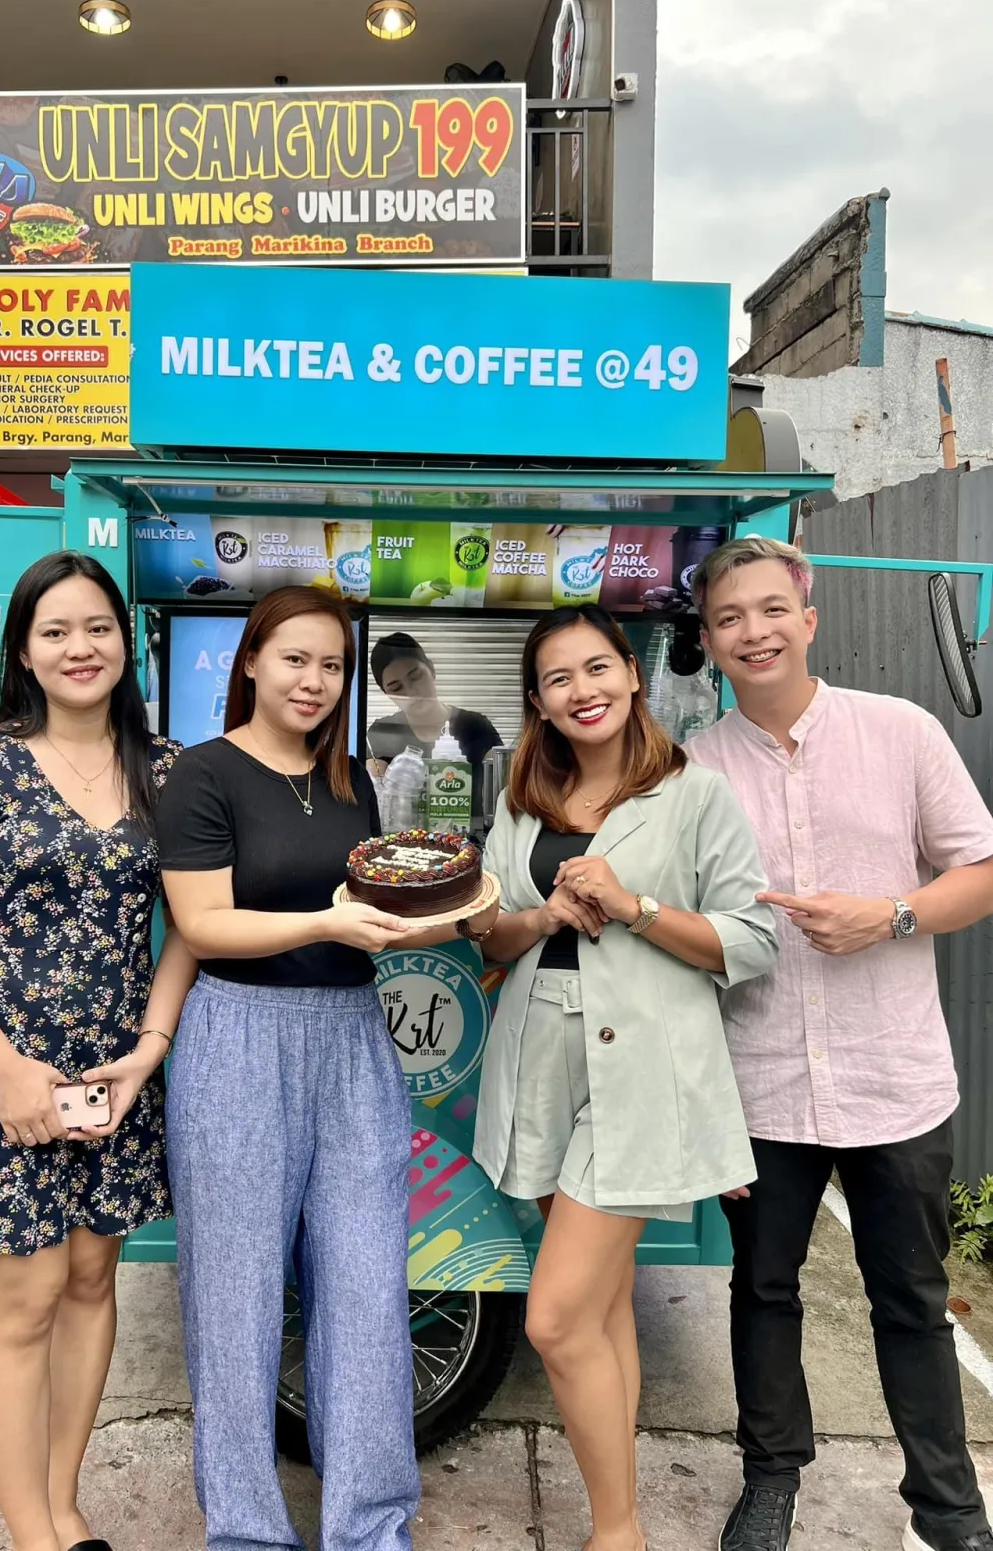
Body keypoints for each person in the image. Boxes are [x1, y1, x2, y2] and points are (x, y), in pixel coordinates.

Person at [157, 586, 497, 1551]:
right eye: (295, 659)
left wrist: (455, 917)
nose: (314, 681)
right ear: (252, 662)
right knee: (233, 1299)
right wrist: (326, 924)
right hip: (238, 1036)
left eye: (332, 666)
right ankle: (245, 1531)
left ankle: (371, 1525)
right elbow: (203, 925)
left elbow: (377, 909)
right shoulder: (202, 774)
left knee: (365, 1289)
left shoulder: (355, 783)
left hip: (353, 1037)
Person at [687, 537, 993, 1551]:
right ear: (709, 642)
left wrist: (889, 915)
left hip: (892, 1075)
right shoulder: (694, 770)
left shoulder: (900, 732)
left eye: (772, 609)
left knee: (910, 1298)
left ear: (808, 620)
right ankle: (772, 1477)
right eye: (730, 618)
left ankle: (948, 1511)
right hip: (760, 1080)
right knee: (763, 1289)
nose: (755, 632)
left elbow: (981, 870)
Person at [0, 550, 195, 1551]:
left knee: (93, 1284)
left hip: (113, 1079)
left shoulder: (167, 769)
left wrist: (150, 1045)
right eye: (55, 631)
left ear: (126, 640)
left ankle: (65, 1506)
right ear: (23, 650)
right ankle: (33, 1536)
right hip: (0, 1075)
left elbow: (191, 925)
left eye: (97, 627)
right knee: (21, 1304)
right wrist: (3, 1067)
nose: (79, 647)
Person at [472, 604, 777, 1551]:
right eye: (558, 679)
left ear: (633, 674)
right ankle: (623, 1515)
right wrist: (543, 916)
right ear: (538, 702)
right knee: (600, 1310)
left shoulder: (695, 793)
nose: (583, 690)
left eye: (598, 667)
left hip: (641, 1068)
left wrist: (634, 905)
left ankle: (619, 1532)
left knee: (556, 1320)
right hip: (539, 1057)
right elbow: (492, 936)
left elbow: (752, 941)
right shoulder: (524, 799)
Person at [367, 629, 502, 772]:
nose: (411, 692)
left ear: (431, 669)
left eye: (416, 677)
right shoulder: (383, 733)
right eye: (396, 688)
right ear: (387, 694)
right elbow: (372, 781)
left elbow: (503, 778)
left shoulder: (477, 728)